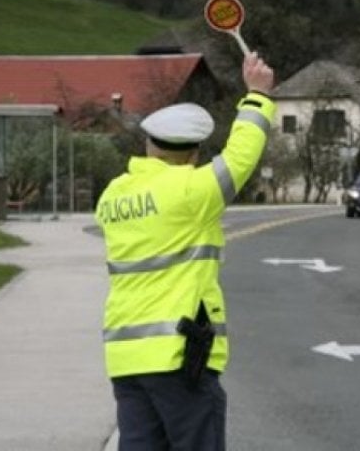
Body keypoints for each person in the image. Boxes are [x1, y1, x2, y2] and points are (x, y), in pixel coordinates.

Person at [95, 51, 275, 451]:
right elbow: (241, 156)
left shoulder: (113, 195)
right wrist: (258, 95)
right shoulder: (191, 192)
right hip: (179, 358)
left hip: (126, 359)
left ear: (148, 144)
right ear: (194, 155)